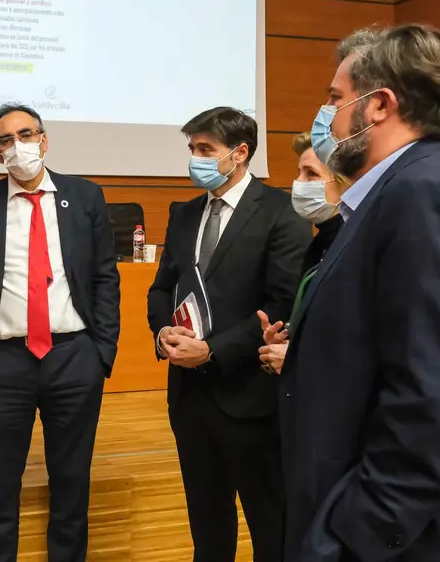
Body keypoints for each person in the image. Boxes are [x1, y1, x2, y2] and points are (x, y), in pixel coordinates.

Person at [280, 24, 440, 561]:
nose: (327, 116)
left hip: (409, 539)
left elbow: (434, 401)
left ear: (378, 105)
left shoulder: (427, 196)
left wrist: (356, 532)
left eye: (336, 99)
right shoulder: (397, 192)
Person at [0, 104, 120, 562]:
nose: (18, 145)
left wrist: (101, 351)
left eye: (26, 134)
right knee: (2, 483)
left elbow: (106, 277)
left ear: (44, 140)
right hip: (2, 364)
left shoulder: (85, 197)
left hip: (74, 358)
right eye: (6, 139)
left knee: (71, 480)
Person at [147, 107, 309, 562]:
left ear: (240, 153)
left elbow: (280, 302)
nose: (195, 158)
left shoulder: (281, 212)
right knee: (207, 526)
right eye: (191, 149)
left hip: (250, 398)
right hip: (189, 398)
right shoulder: (184, 213)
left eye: (205, 150)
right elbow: (162, 286)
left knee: (268, 526)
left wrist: (212, 350)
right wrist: (163, 332)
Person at [257, 130, 350, 374]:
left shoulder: (354, 244)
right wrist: (289, 344)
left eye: (311, 174)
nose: (298, 183)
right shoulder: (320, 242)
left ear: (345, 183)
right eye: (299, 173)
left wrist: (298, 358)